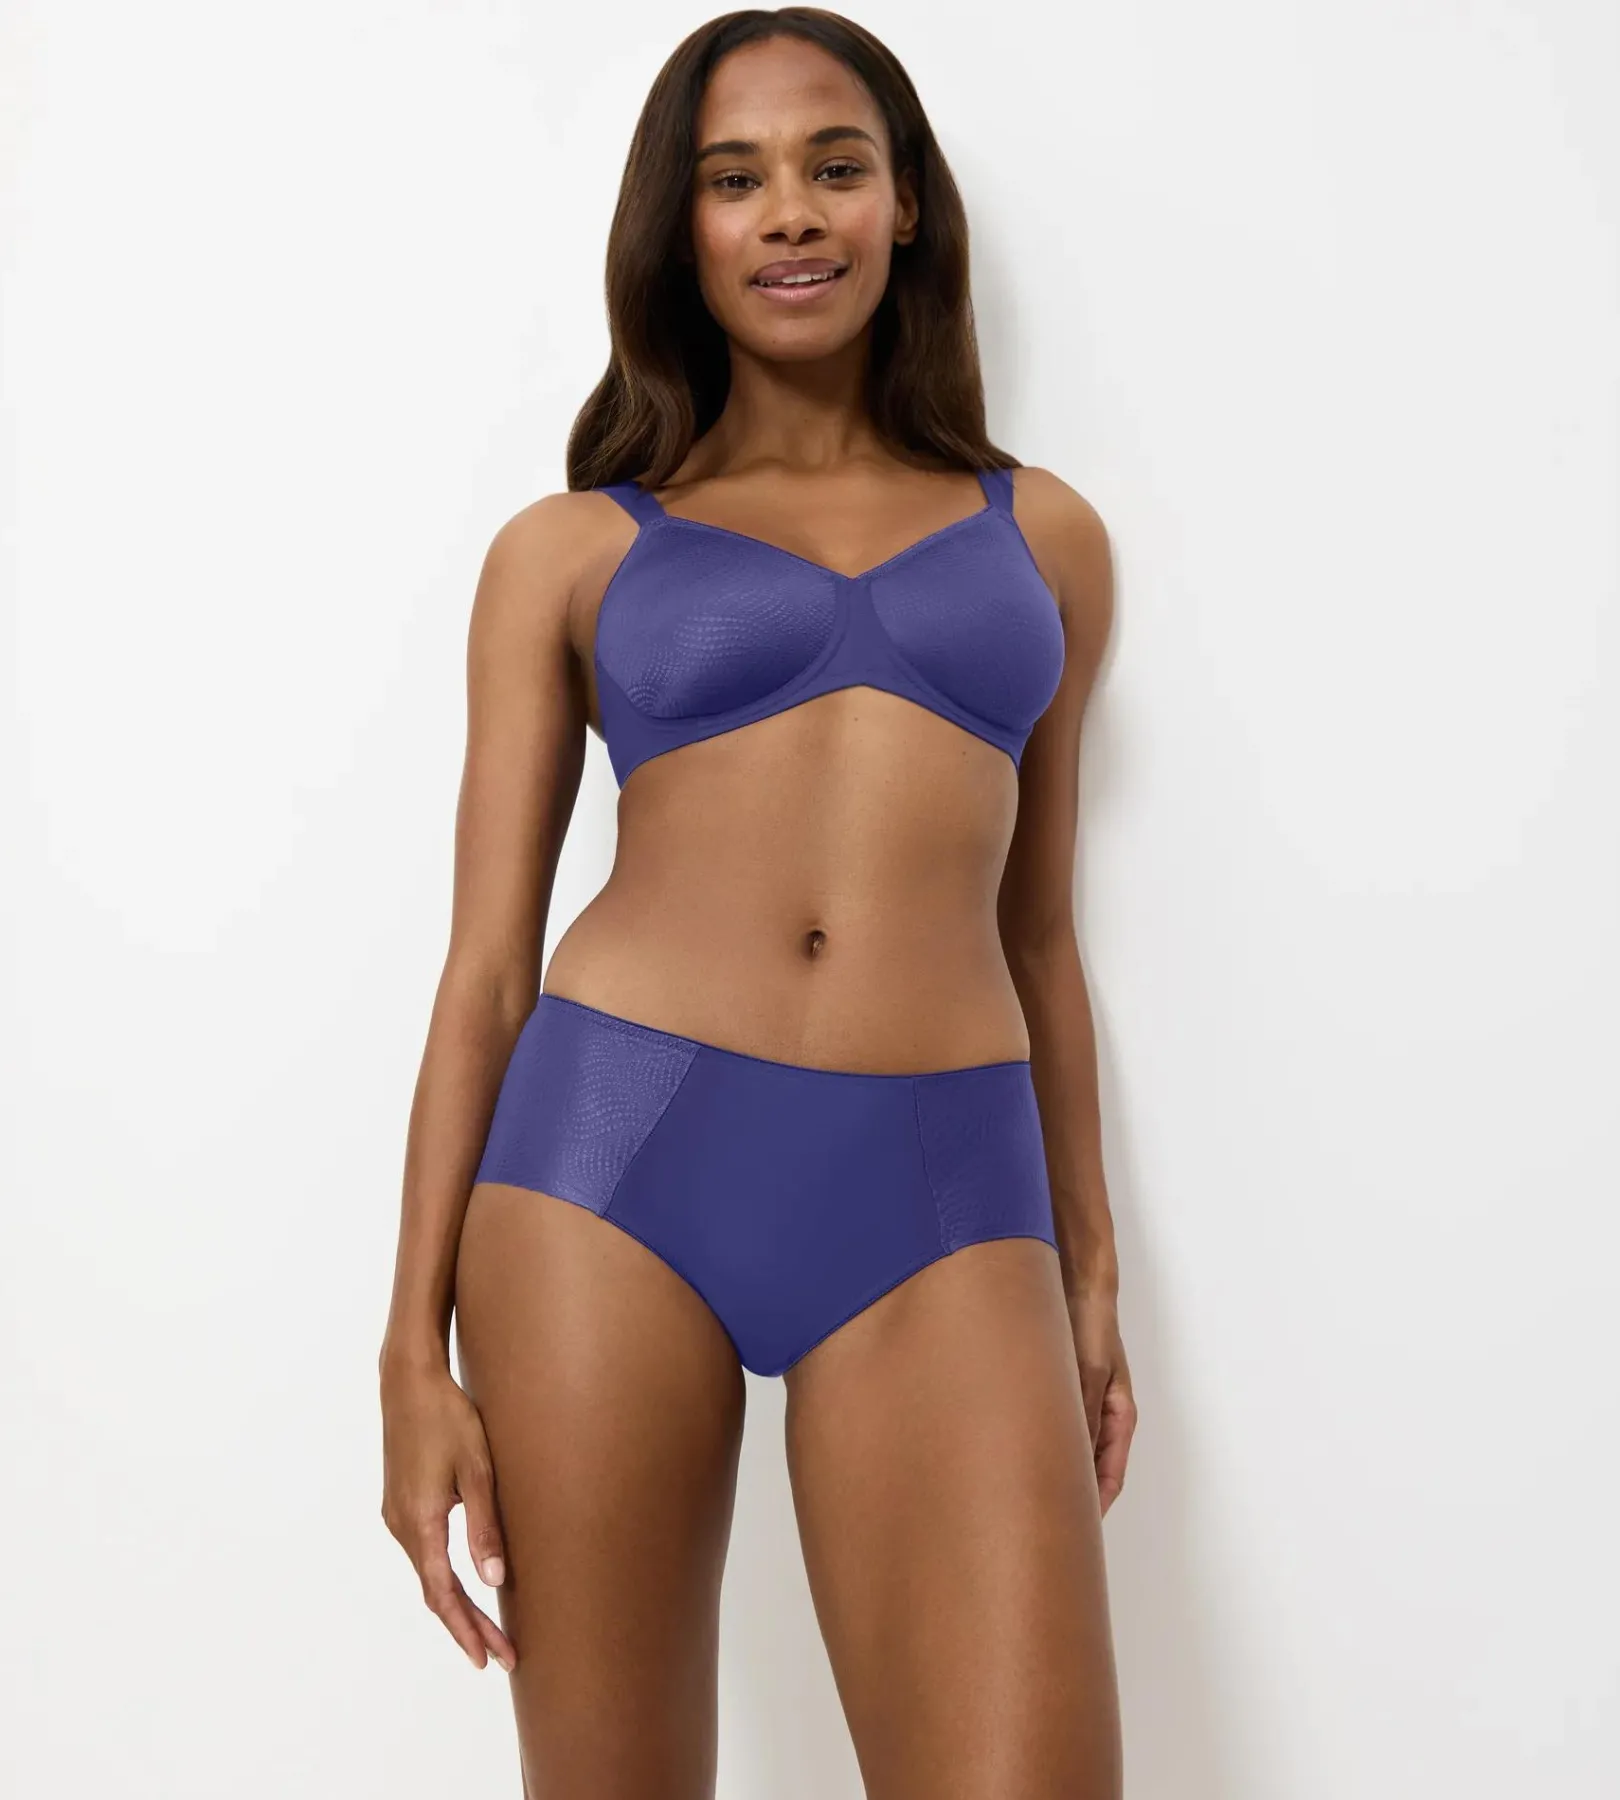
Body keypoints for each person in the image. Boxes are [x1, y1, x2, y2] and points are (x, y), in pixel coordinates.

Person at [379, 8, 1134, 1794]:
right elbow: (485, 973)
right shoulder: (571, 549)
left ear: (906, 205)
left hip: (945, 1184)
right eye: (736, 179)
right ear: (684, 226)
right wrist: (410, 1349)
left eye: (834, 166)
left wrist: (1090, 1264)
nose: (790, 211)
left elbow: (1038, 934)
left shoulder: (1045, 538)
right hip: (613, 1160)